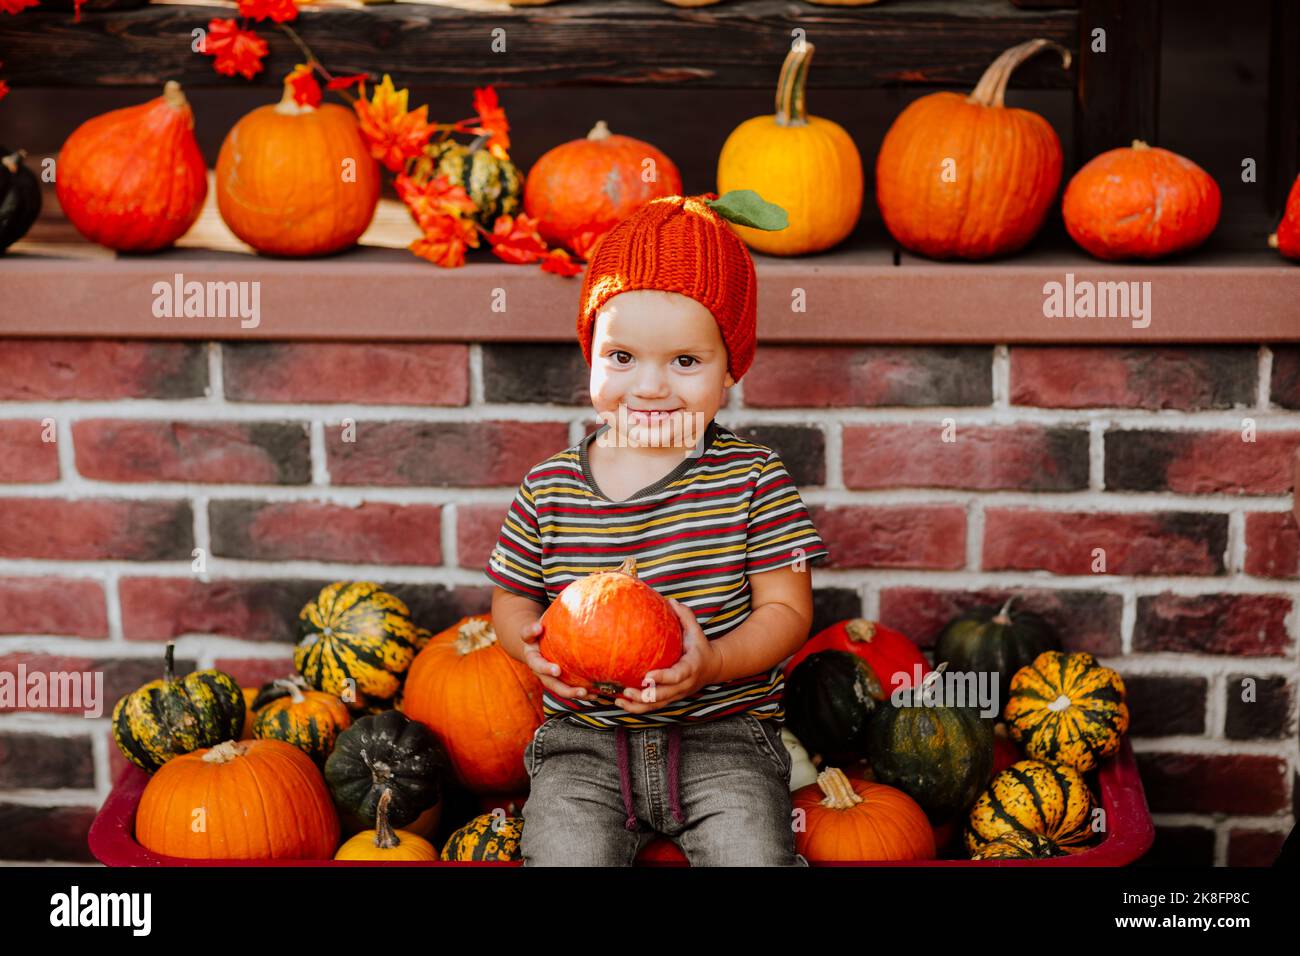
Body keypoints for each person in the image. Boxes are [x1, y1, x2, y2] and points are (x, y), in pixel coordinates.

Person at [485, 192, 829, 866]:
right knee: (563, 856)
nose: (648, 387)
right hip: (585, 743)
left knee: (754, 855)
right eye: (621, 357)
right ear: (590, 352)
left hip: (721, 732)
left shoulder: (754, 480)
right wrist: (528, 649)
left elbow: (788, 610)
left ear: (732, 367)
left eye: (685, 363)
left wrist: (714, 663)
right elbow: (511, 598)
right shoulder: (550, 486)